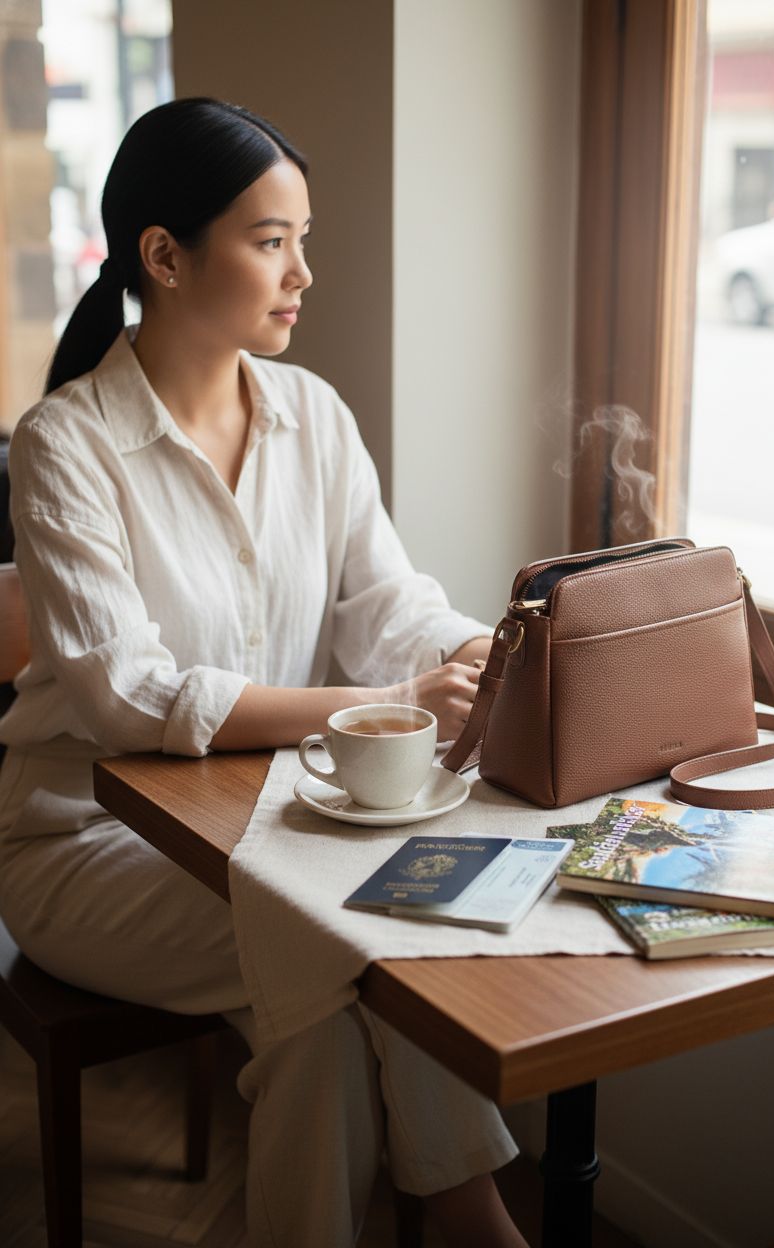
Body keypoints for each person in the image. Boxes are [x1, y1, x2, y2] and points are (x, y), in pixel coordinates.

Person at [0, 98, 529, 1248]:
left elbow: (383, 600)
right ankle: (470, 1213)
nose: (303, 274)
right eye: (272, 239)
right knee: (358, 938)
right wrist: (382, 708)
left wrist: (461, 650)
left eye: (303, 240)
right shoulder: (65, 445)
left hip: (260, 830)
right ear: (165, 256)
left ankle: (448, 1215)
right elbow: (125, 696)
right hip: (82, 842)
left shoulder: (314, 416)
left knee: (320, 1030)